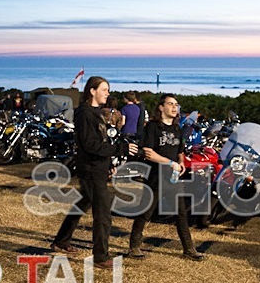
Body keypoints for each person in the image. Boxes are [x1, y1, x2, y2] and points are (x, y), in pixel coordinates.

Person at [51, 76, 138, 269]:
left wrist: (108, 164)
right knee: (103, 214)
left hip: (97, 167)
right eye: (104, 89)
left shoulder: (96, 112)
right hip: (89, 169)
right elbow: (90, 145)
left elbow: (101, 142)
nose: (108, 93)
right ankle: (100, 256)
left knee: (82, 204)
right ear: (92, 90)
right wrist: (120, 150)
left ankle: (61, 241)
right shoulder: (84, 113)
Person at [127, 94, 204, 261]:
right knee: (146, 211)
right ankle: (134, 247)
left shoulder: (177, 129)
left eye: (176, 104)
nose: (175, 107)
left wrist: (181, 162)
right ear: (161, 107)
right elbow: (148, 153)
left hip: (173, 178)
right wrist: (170, 163)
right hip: (156, 176)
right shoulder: (153, 127)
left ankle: (189, 249)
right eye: (170, 104)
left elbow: (180, 151)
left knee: (181, 214)